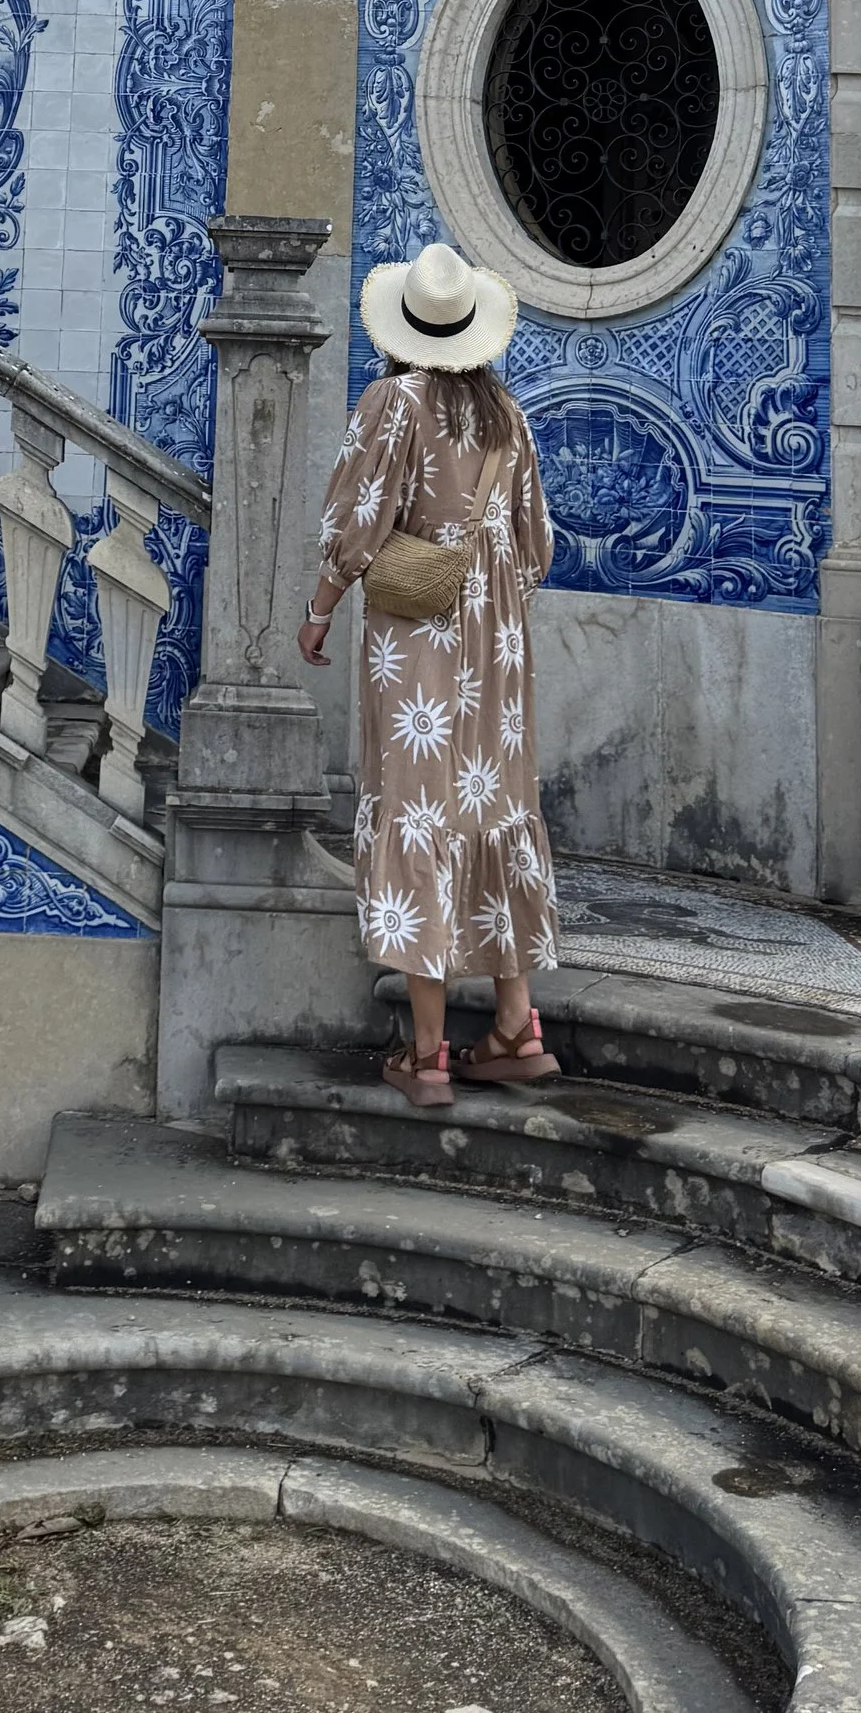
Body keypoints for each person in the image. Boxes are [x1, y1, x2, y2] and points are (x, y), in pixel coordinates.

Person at [302, 239, 563, 1107]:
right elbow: (536, 549)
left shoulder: (392, 401)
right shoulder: (506, 416)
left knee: (420, 808)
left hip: (419, 635)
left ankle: (428, 1053)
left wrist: (322, 601)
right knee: (490, 807)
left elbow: (360, 515)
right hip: (499, 637)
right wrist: (487, 595)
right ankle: (515, 1026)